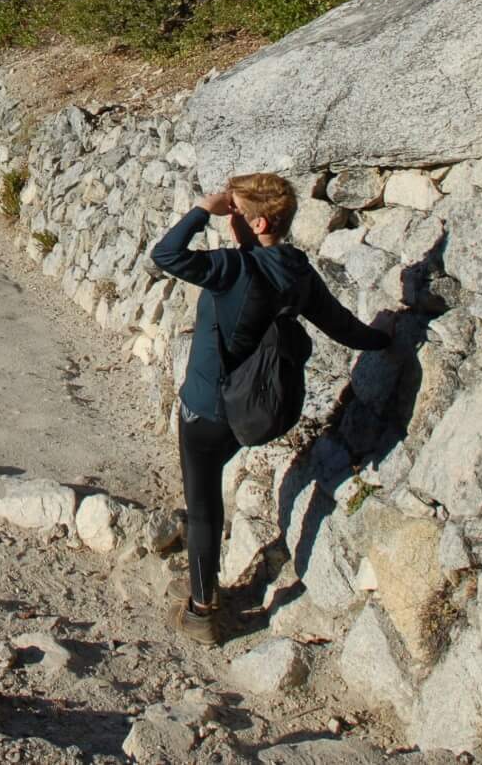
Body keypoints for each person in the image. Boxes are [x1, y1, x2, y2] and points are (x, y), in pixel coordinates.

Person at [150, 172, 392, 645]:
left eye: (235, 210)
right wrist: (387, 338)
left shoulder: (229, 270)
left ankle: (202, 608)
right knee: (207, 498)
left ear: (259, 221)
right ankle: (204, 580)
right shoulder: (296, 271)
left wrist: (203, 208)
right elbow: (343, 327)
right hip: (251, 412)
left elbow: (165, 255)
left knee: (202, 508)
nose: (228, 214)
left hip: (204, 408)